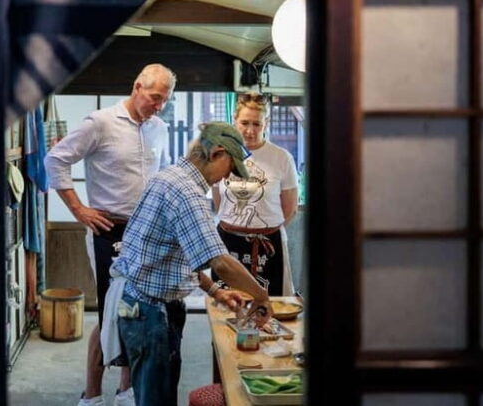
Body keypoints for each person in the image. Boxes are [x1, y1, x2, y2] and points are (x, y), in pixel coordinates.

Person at [101, 122, 274, 406]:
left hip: (140, 304)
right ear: (217, 153)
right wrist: (262, 295)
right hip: (148, 311)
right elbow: (221, 263)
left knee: (159, 393)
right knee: (156, 398)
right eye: (230, 168)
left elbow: (176, 255)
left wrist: (215, 292)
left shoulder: (169, 176)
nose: (225, 178)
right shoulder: (187, 192)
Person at [44, 63, 177, 406]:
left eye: (164, 100)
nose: (158, 106)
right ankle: (91, 394)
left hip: (148, 230)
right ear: (137, 87)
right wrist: (78, 210)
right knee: (110, 313)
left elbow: (162, 177)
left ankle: (126, 390)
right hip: (109, 228)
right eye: (154, 98)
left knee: (140, 311)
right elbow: (55, 160)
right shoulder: (100, 122)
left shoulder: (159, 127)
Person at [212, 92, 299, 296]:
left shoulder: (281, 158)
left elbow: (290, 209)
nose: (250, 131)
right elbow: (219, 202)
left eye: (257, 124)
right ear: (235, 120)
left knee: (273, 308)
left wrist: (259, 230)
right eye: (244, 123)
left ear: (266, 123)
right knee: (227, 309)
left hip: (267, 244)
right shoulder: (220, 154)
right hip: (228, 242)